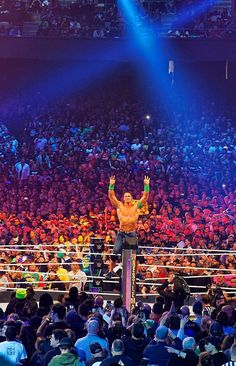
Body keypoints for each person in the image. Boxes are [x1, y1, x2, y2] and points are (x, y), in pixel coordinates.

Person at [108, 175, 150, 254]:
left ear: (131, 198)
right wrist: (111, 185)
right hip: (121, 233)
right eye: (125, 196)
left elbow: (145, 197)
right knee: (115, 252)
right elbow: (111, 196)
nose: (127, 197)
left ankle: (134, 266)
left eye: (129, 196)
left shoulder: (136, 206)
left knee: (135, 254)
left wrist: (146, 186)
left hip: (131, 233)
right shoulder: (120, 206)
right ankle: (113, 266)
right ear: (123, 198)